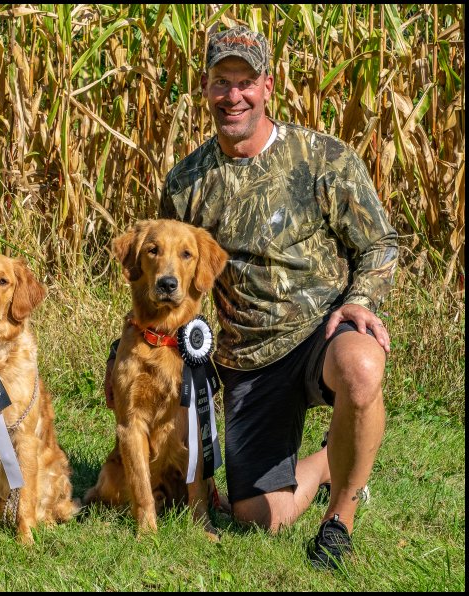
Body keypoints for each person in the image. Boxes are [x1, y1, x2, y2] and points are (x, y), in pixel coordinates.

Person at [104, 26, 398, 569]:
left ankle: (340, 519)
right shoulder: (187, 180)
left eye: (244, 82)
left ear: (267, 85)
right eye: (221, 82)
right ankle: (332, 460)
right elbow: (166, 271)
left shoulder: (322, 157)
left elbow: (380, 243)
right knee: (258, 517)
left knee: (361, 364)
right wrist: (125, 353)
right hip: (245, 362)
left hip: (320, 336)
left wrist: (360, 300)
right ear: (206, 87)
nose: (232, 96)